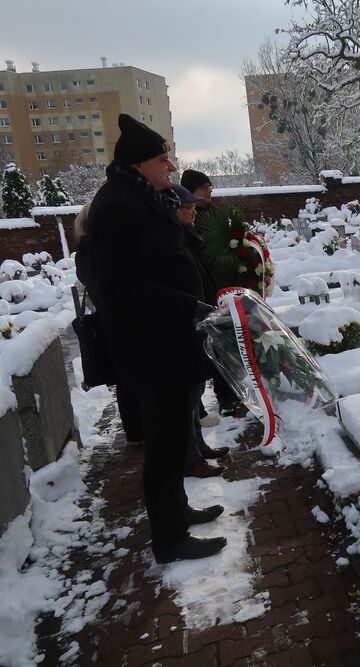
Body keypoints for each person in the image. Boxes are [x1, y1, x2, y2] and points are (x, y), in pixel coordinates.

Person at [86, 114, 227, 563]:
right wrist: (187, 304)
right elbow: (121, 286)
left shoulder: (141, 195)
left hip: (170, 341)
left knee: (172, 438)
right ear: (138, 163)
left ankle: (178, 512)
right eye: (162, 159)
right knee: (163, 445)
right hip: (152, 347)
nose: (170, 166)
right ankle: (169, 538)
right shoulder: (116, 206)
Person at [170, 184, 230, 478]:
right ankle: (190, 457)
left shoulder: (185, 236)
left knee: (194, 394)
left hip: (198, 318)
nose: (194, 211)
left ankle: (198, 447)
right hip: (184, 324)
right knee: (187, 396)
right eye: (187, 207)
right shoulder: (170, 240)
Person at [73, 203, 144, 448]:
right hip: (120, 320)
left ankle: (138, 431)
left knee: (127, 378)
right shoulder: (93, 252)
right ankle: (138, 432)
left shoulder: (88, 251)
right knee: (129, 377)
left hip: (114, 319)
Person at [180, 169, 244, 419]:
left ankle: (230, 392)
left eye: (210, 185)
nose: (209, 190)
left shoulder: (216, 214)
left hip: (222, 288)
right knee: (211, 345)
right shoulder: (188, 223)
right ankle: (218, 399)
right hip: (203, 293)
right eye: (204, 186)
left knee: (227, 342)